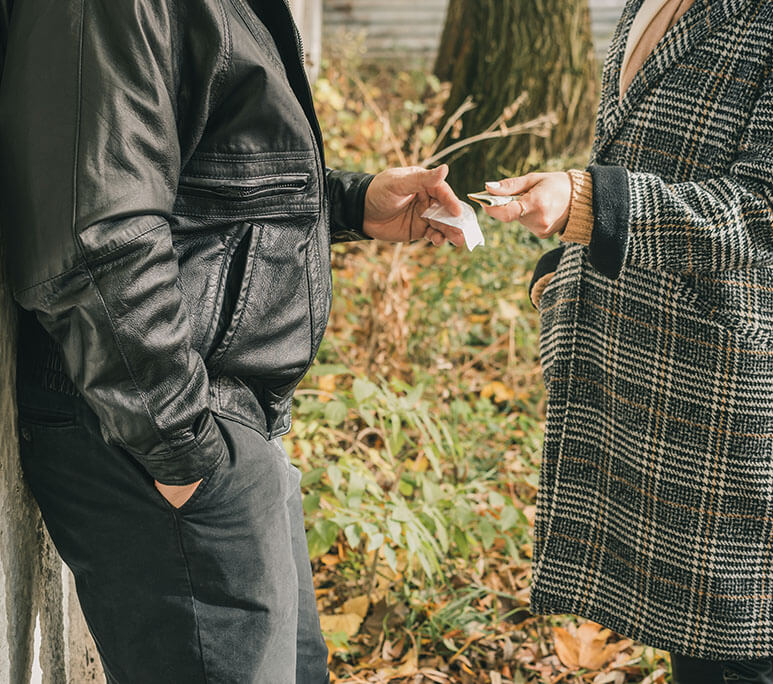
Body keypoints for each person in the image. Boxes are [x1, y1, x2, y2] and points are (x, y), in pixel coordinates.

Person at [0, 0, 465, 681]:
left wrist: (348, 201)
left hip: (215, 423)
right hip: (158, 429)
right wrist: (183, 451)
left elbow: (190, 163)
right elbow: (98, 234)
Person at [481, 1, 773, 682]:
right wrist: (560, 271)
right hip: (626, 345)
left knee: (738, 643)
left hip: (725, 366)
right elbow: (642, 147)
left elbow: (769, 207)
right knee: (684, 637)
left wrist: (592, 204)